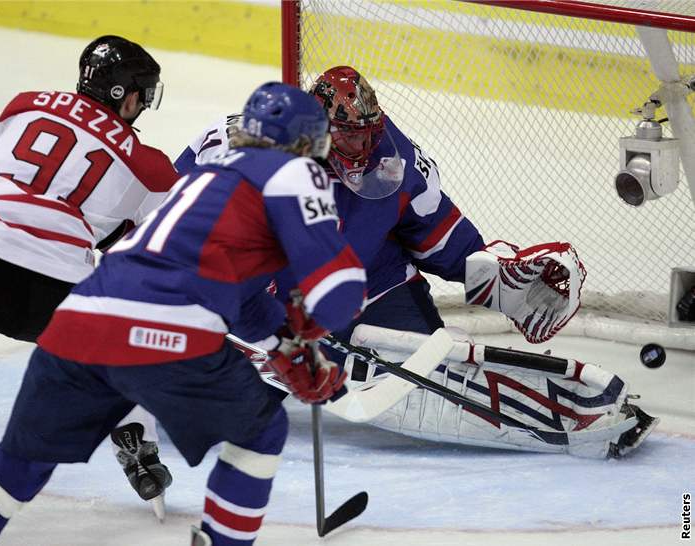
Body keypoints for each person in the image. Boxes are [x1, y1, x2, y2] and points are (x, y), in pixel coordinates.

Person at [0, 82, 366, 546]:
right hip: (165, 330)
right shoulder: (295, 172)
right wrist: (310, 332)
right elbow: (340, 295)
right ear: (306, 143)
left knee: (18, 463)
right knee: (262, 429)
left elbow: (245, 297)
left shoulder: (205, 179)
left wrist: (281, 343)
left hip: (78, 320)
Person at [176, 66, 657, 458]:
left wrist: (499, 279)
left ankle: (564, 415)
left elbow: (436, 236)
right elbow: (163, 218)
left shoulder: (396, 157)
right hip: (269, 303)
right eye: (348, 138)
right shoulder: (242, 146)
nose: (363, 150)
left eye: (368, 135)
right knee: (227, 411)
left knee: (434, 380)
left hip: (371, 283)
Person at [0, 36, 178, 500]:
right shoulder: (150, 167)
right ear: (126, 95)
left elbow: (4, 169)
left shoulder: (24, 105)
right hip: (47, 285)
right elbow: (146, 246)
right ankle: (136, 442)